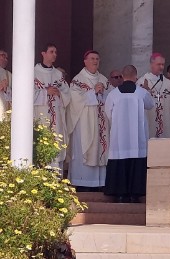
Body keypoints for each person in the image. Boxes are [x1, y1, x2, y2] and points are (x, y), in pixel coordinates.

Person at [104, 65, 154, 203]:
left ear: (123, 76)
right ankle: (135, 194)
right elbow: (150, 105)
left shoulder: (113, 94)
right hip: (137, 139)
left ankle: (119, 194)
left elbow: (108, 113)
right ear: (135, 76)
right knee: (136, 163)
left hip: (119, 138)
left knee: (119, 163)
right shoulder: (141, 93)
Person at [67, 50, 112, 190]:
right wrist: (93, 92)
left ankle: (100, 183)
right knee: (85, 148)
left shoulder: (104, 80)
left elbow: (111, 97)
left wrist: (103, 93)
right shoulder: (78, 80)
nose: (95, 61)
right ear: (85, 61)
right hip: (84, 123)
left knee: (100, 148)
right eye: (92, 58)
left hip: (101, 122)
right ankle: (82, 182)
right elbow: (74, 99)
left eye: (97, 58)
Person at [34, 43, 70, 170]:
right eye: (51, 52)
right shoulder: (33, 73)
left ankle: (56, 181)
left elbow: (67, 93)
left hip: (56, 117)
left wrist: (60, 93)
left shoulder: (58, 74)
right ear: (43, 53)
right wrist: (45, 92)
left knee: (57, 144)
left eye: (55, 52)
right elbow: (27, 94)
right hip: (40, 115)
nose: (55, 54)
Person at [137, 53, 170, 138]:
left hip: (165, 124)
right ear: (151, 64)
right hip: (150, 123)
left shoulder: (168, 83)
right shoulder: (141, 82)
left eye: (163, 64)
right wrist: (145, 92)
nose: (161, 67)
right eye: (159, 64)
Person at [0, 49, 12, 114]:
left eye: (6, 58)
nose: (5, 59)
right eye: (3, 55)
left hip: (5, 110)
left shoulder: (8, 74)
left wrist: (7, 89)